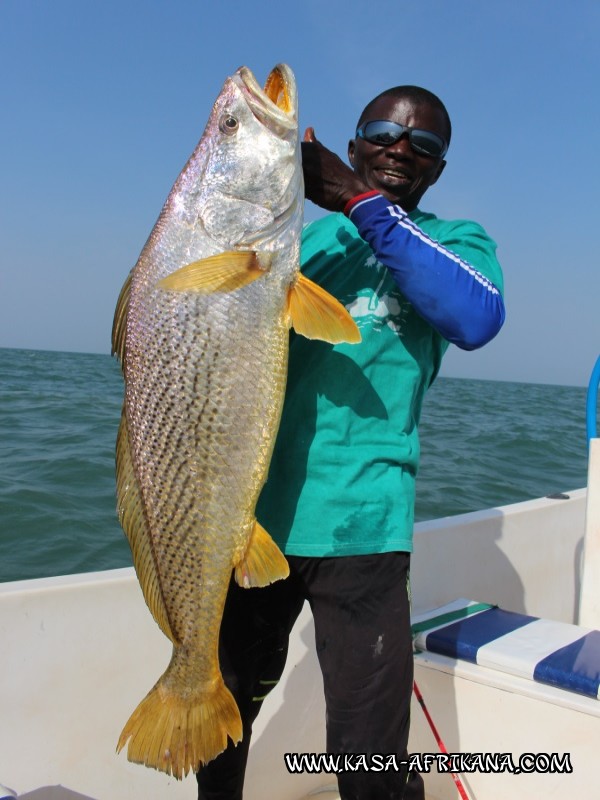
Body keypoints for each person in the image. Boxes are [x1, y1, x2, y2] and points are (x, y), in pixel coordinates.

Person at [196, 85, 505, 800]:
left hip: (364, 532)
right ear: (354, 140)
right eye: (384, 133)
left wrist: (358, 200)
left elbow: (476, 316)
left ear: (437, 169)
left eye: (423, 145)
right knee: (224, 718)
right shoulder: (302, 245)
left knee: (369, 762)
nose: (402, 149)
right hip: (251, 525)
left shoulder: (454, 243)